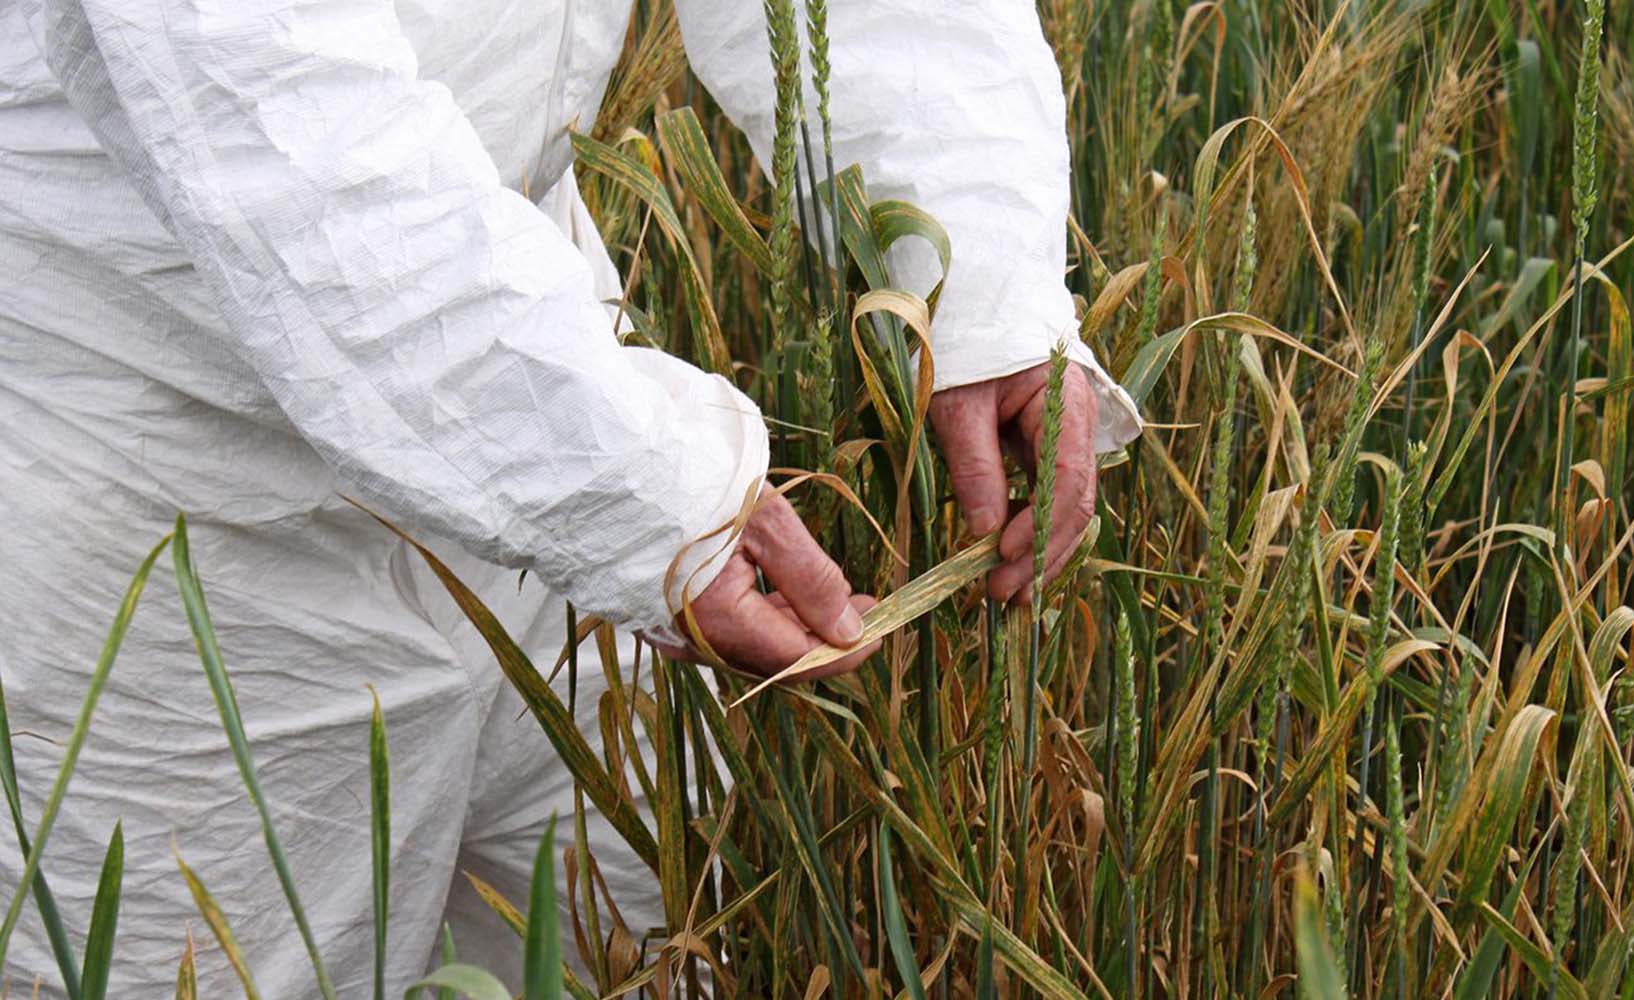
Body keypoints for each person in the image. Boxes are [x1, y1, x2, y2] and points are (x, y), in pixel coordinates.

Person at [0, 0, 1140, 993]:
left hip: (546, 380)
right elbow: (269, 99)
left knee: (646, 937)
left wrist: (978, 284)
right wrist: (628, 489)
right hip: (161, 487)